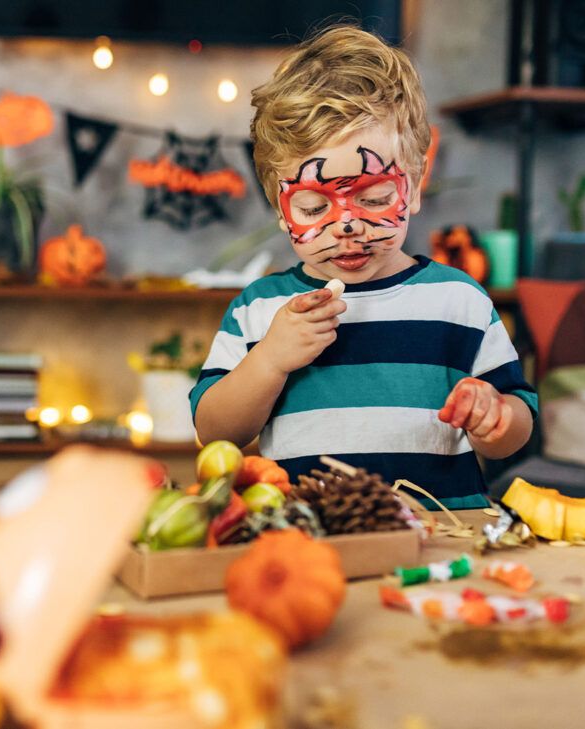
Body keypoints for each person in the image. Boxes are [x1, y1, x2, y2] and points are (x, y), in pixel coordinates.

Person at [190, 25, 537, 508]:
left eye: (374, 198)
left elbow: (517, 425)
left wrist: (495, 415)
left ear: (412, 188)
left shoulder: (459, 300)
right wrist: (269, 359)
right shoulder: (261, 308)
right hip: (314, 538)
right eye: (313, 208)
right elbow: (215, 432)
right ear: (278, 205)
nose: (346, 226)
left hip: (443, 539)